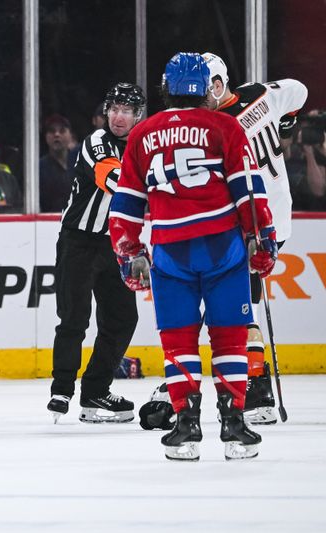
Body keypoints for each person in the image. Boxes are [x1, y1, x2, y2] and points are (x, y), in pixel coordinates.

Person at [110, 52, 276, 461]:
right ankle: (234, 425)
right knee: (231, 337)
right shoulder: (226, 126)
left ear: (166, 89)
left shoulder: (143, 133)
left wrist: (129, 251)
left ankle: (186, 425)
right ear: (205, 90)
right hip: (224, 249)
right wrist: (262, 240)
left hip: (170, 254)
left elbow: (127, 203)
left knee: (178, 340)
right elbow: (249, 192)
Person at [137, 53, 308, 429]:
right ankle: (236, 383)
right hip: (275, 213)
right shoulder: (261, 94)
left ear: (216, 86)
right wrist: (287, 117)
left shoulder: (215, 126)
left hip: (245, 219)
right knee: (241, 298)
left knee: (231, 302)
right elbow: (299, 90)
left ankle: (253, 387)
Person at [47, 82, 145, 424]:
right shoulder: (96, 141)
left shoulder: (142, 145)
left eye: (126, 110)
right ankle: (62, 389)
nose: (118, 116)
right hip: (78, 241)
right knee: (74, 318)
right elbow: (111, 180)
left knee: (122, 318)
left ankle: (96, 391)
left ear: (138, 115)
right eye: (114, 109)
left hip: (113, 244)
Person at [39, 114, 76, 212]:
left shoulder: (81, 163)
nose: (57, 134)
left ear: (70, 136)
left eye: (62, 131)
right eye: (52, 131)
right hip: (48, 223)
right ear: (46, 137)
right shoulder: (38, 168)